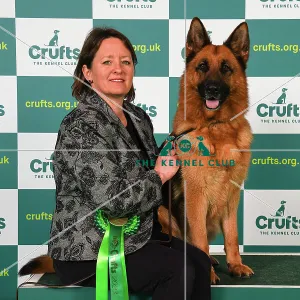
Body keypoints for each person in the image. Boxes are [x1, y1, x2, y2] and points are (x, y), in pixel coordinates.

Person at [47, 27, 211, 300]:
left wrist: (178, 146)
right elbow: (114, 200)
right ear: (87, 72)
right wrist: (159, 174)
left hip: (139, 236)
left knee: (202, 262)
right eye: (107, 62)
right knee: (178, 269)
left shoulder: (137, 117)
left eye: (126, 61)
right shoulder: (80, 126)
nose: (118, 69)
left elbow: (144, 168)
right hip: (88, 249)